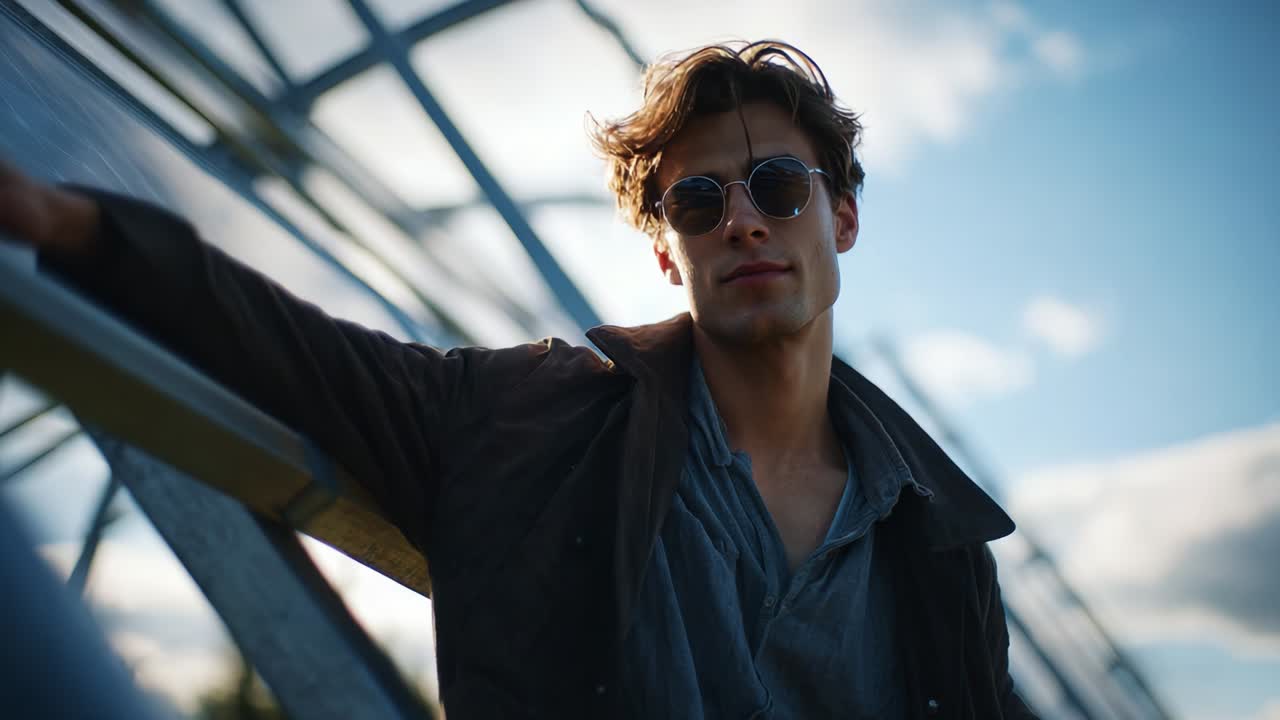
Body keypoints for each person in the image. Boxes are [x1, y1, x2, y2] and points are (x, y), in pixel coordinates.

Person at [0, 40, 1036, 719]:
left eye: (776, 186)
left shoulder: (937, 547)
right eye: (698, 203)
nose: (741, 221)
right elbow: (309, 354)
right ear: (666, 254)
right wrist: (77, 228)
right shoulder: (538, 424)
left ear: (841, 217)